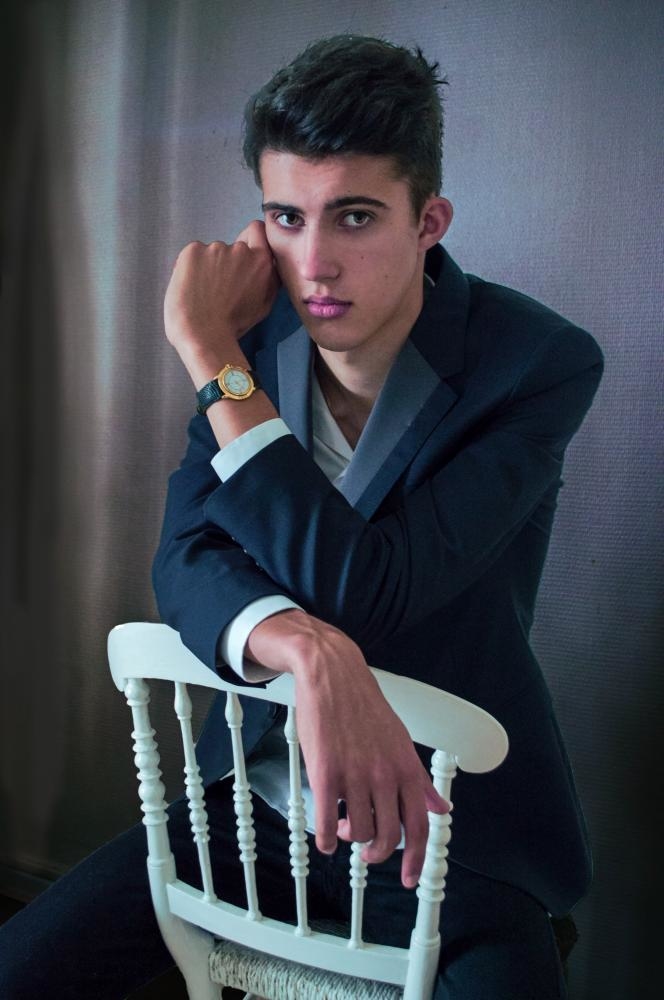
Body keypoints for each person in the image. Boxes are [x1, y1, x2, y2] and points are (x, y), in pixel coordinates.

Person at [0, 34, 603, 999]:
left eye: (354, 216)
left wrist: (211, 355)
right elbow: (184, 557)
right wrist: (305, 651)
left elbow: (371, 588)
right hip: (249, 807)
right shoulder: (255, 338)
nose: (314, 264)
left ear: (428, 220)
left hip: (447, 841)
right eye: (287, 217)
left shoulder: (534, 363)